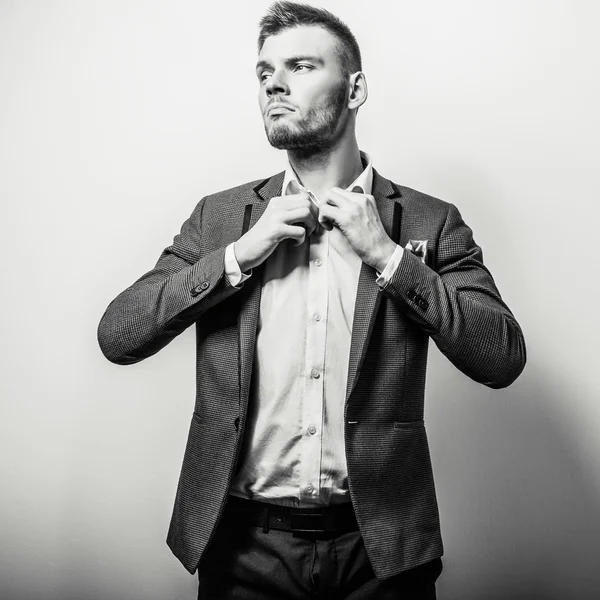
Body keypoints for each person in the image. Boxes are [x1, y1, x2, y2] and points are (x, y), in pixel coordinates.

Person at [97, 2, 526, 598]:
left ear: (355, 88)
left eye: (299, 65)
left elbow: (502, 358)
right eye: (264, 71)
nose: (273, 82)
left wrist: (390, 259)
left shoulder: (429, 221)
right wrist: (238, 257)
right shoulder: (222, 219)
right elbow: (117, 335)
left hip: (381, 551)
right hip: (243, 548)